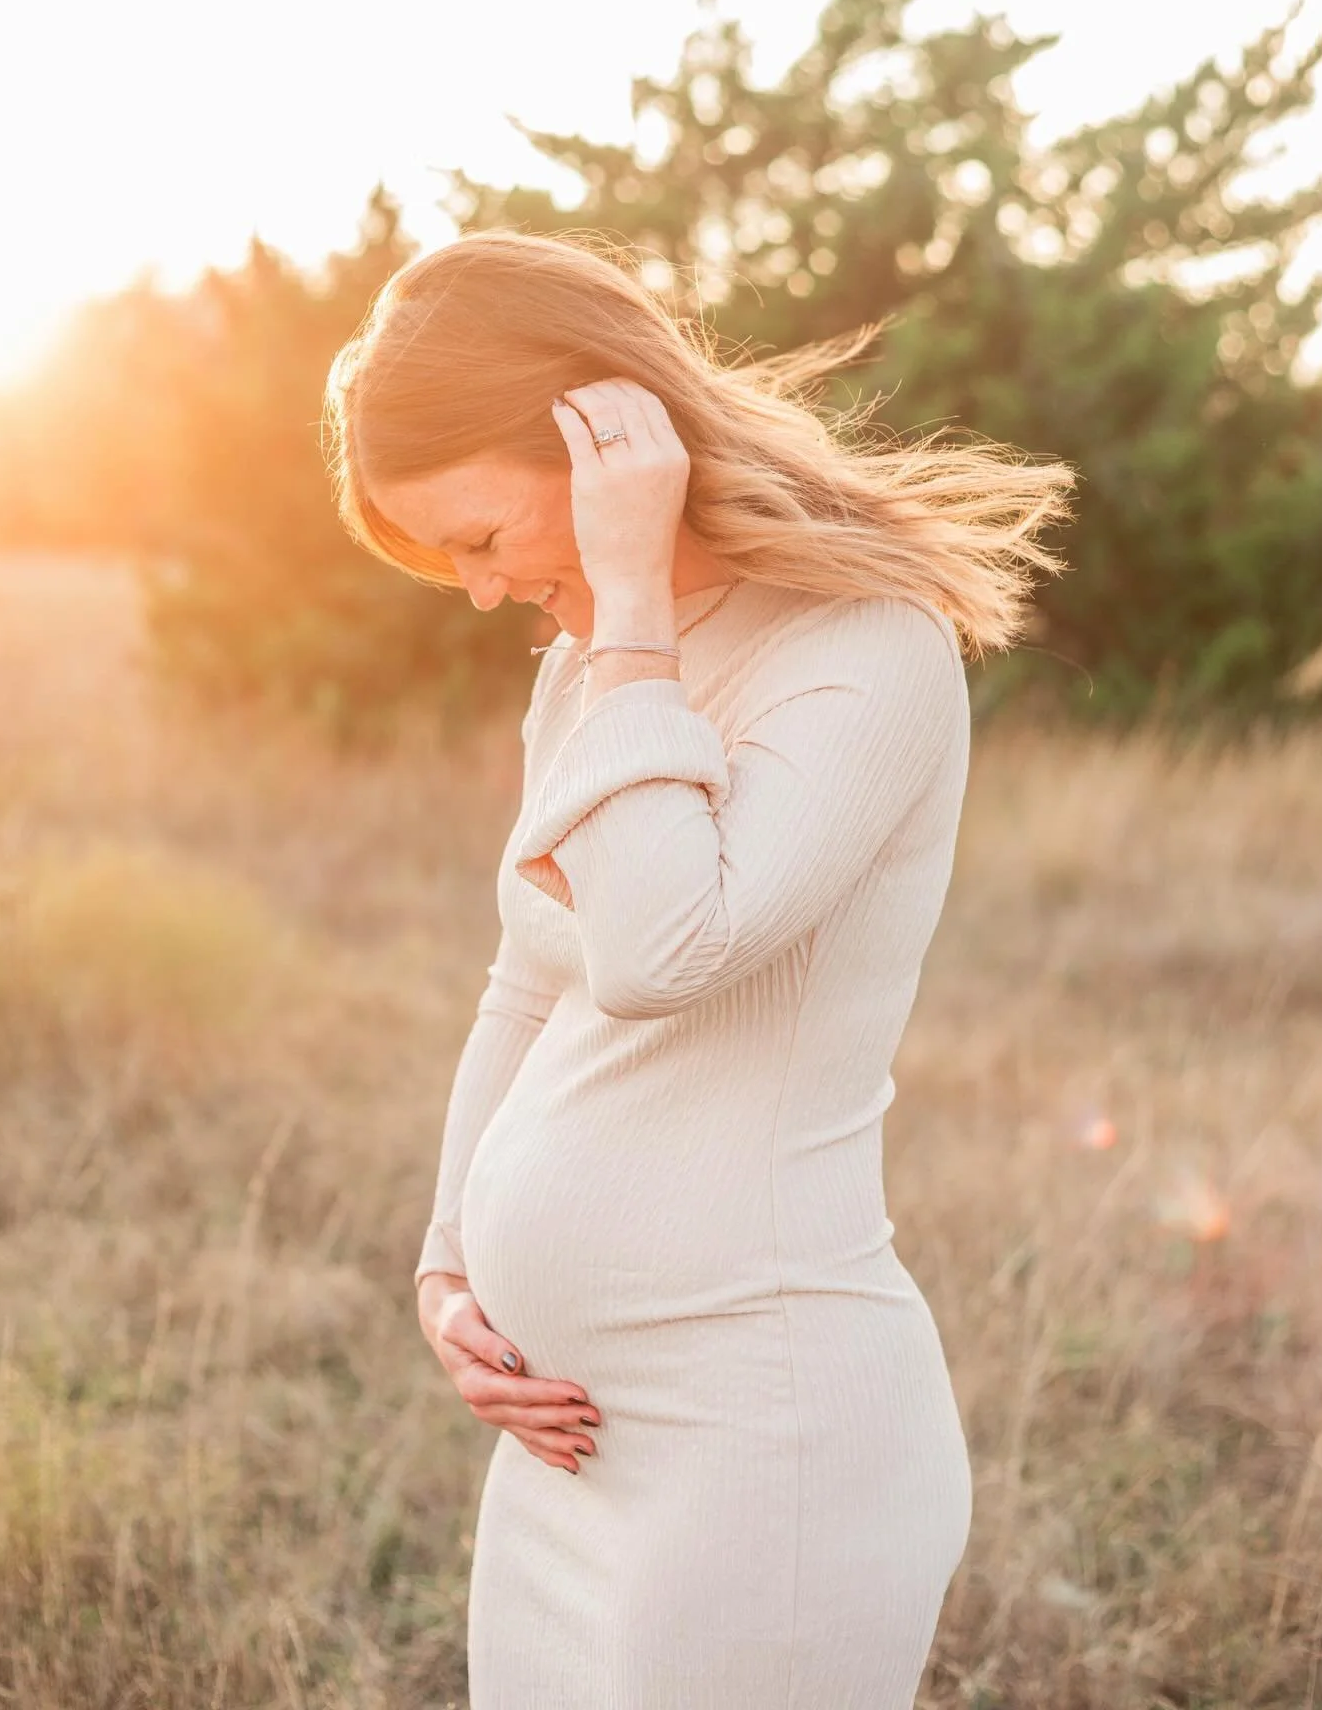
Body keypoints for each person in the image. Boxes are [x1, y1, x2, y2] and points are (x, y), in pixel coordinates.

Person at [322, 228, 1075, 1708]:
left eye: (478, 538)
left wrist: (633, 614)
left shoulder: (864, 649)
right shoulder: (592, 672)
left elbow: (668, 949)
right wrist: (450, 1263)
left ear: (601, 442)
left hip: (762, 1446)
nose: (477, 592)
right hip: (569, 1453)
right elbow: (528, 984)